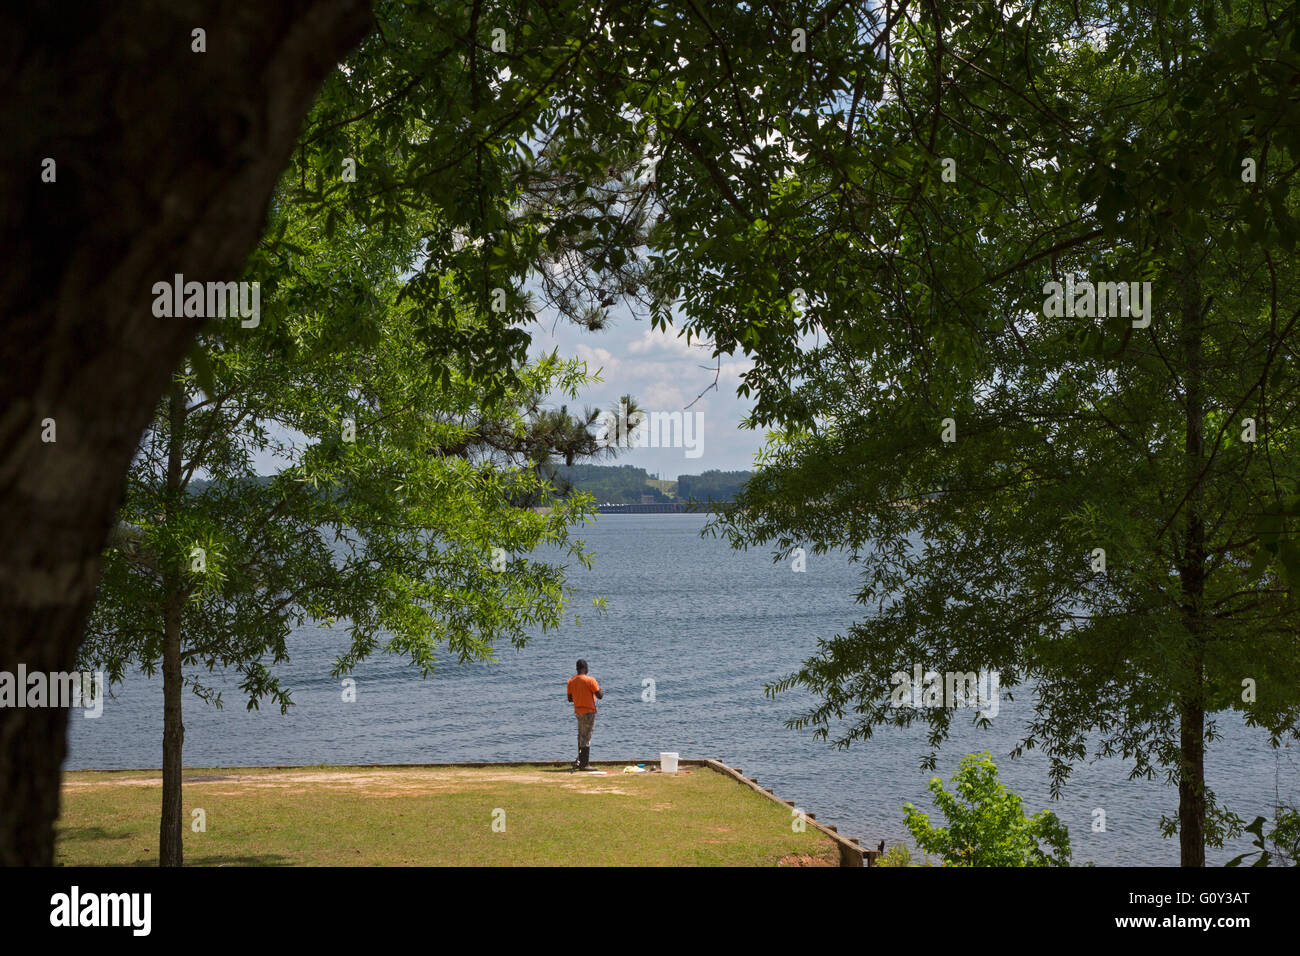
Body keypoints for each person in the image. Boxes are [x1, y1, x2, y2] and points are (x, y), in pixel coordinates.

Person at [566, 659, 603, 770]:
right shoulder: (590, 680)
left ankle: (580, 761)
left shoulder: (571, 681)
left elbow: (569, 699)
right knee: (587, 736)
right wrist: (600, 689)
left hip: (578, 712)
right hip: (589, 711)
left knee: (581, 736)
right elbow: (600, 695)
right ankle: (584, 764)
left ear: (577, 669)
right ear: (586, 668)